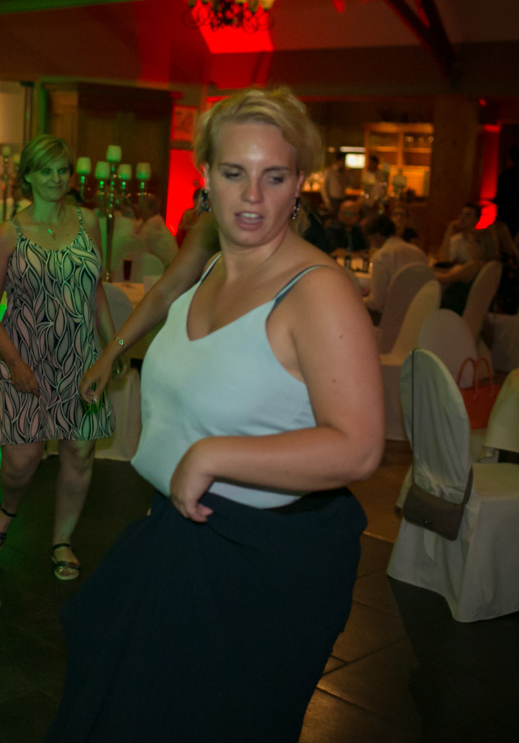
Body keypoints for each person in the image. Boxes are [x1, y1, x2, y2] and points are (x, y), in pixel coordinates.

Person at [51, 87, 381, 742]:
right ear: (205, 176)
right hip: (181, 540)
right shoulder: (213, 270)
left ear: (298, 185)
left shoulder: (317, 292)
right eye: (235, 173)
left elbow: (360, 447)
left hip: (265, 562)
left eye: (274, 177)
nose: (252, 196)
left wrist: (213, 455)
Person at [0, 134, 115, 581]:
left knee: (79, 452)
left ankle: (62, 540)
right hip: (25, 360)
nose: (57, 179)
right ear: (29, 177)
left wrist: (111, 348)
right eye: (46, 171)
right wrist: (14, 364)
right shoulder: (8, 235)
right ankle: (8, 507)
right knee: (22, 461)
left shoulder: (89, 222)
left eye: (62, 170)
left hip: (81, 358)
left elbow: (95, 291)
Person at [362, 213, 428, 316]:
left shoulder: (382, 256)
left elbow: (376, 302)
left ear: (377, 236)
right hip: (420, 313)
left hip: (392, 316)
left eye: (370, 239)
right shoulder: (418, 252)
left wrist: (357, 301)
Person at [494, 145, 519, 236]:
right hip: (518, 217)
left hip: (504, 215)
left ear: (510, 159)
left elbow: (500, 197)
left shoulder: (505, 175)